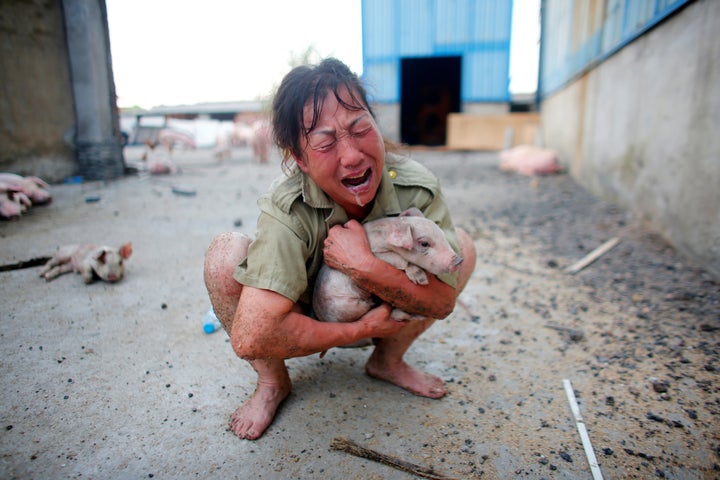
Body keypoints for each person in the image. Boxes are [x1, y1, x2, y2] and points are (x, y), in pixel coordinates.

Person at [203, 58, 477, 440]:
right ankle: (272, 384)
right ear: (300, 159)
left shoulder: (415, 187)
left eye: (360, 127)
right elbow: (251, 336)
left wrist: (364, 265)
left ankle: (387, 360)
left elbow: (441, 302)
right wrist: (360, 329)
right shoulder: (287, 208)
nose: (351, 156)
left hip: (386, 308)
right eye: (325, 142)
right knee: (224, 256)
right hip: (306, 317)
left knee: (461, 244)